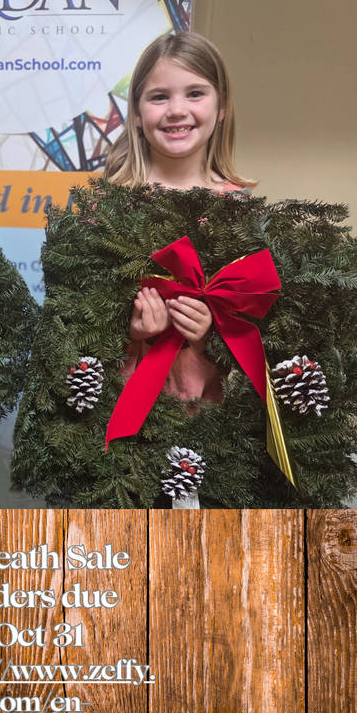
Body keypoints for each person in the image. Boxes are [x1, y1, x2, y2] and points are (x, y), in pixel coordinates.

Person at [103, 32, 256, 501]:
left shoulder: (241, 211)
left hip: (212, 418)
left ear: (222, 105)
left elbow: (264, 326)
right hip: (124, 423)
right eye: (158, 97)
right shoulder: (105, 208)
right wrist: (132, 332)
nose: (176, 110)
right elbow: (73, 325)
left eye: (195, 93)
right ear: (136, 111)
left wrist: (214, 328)